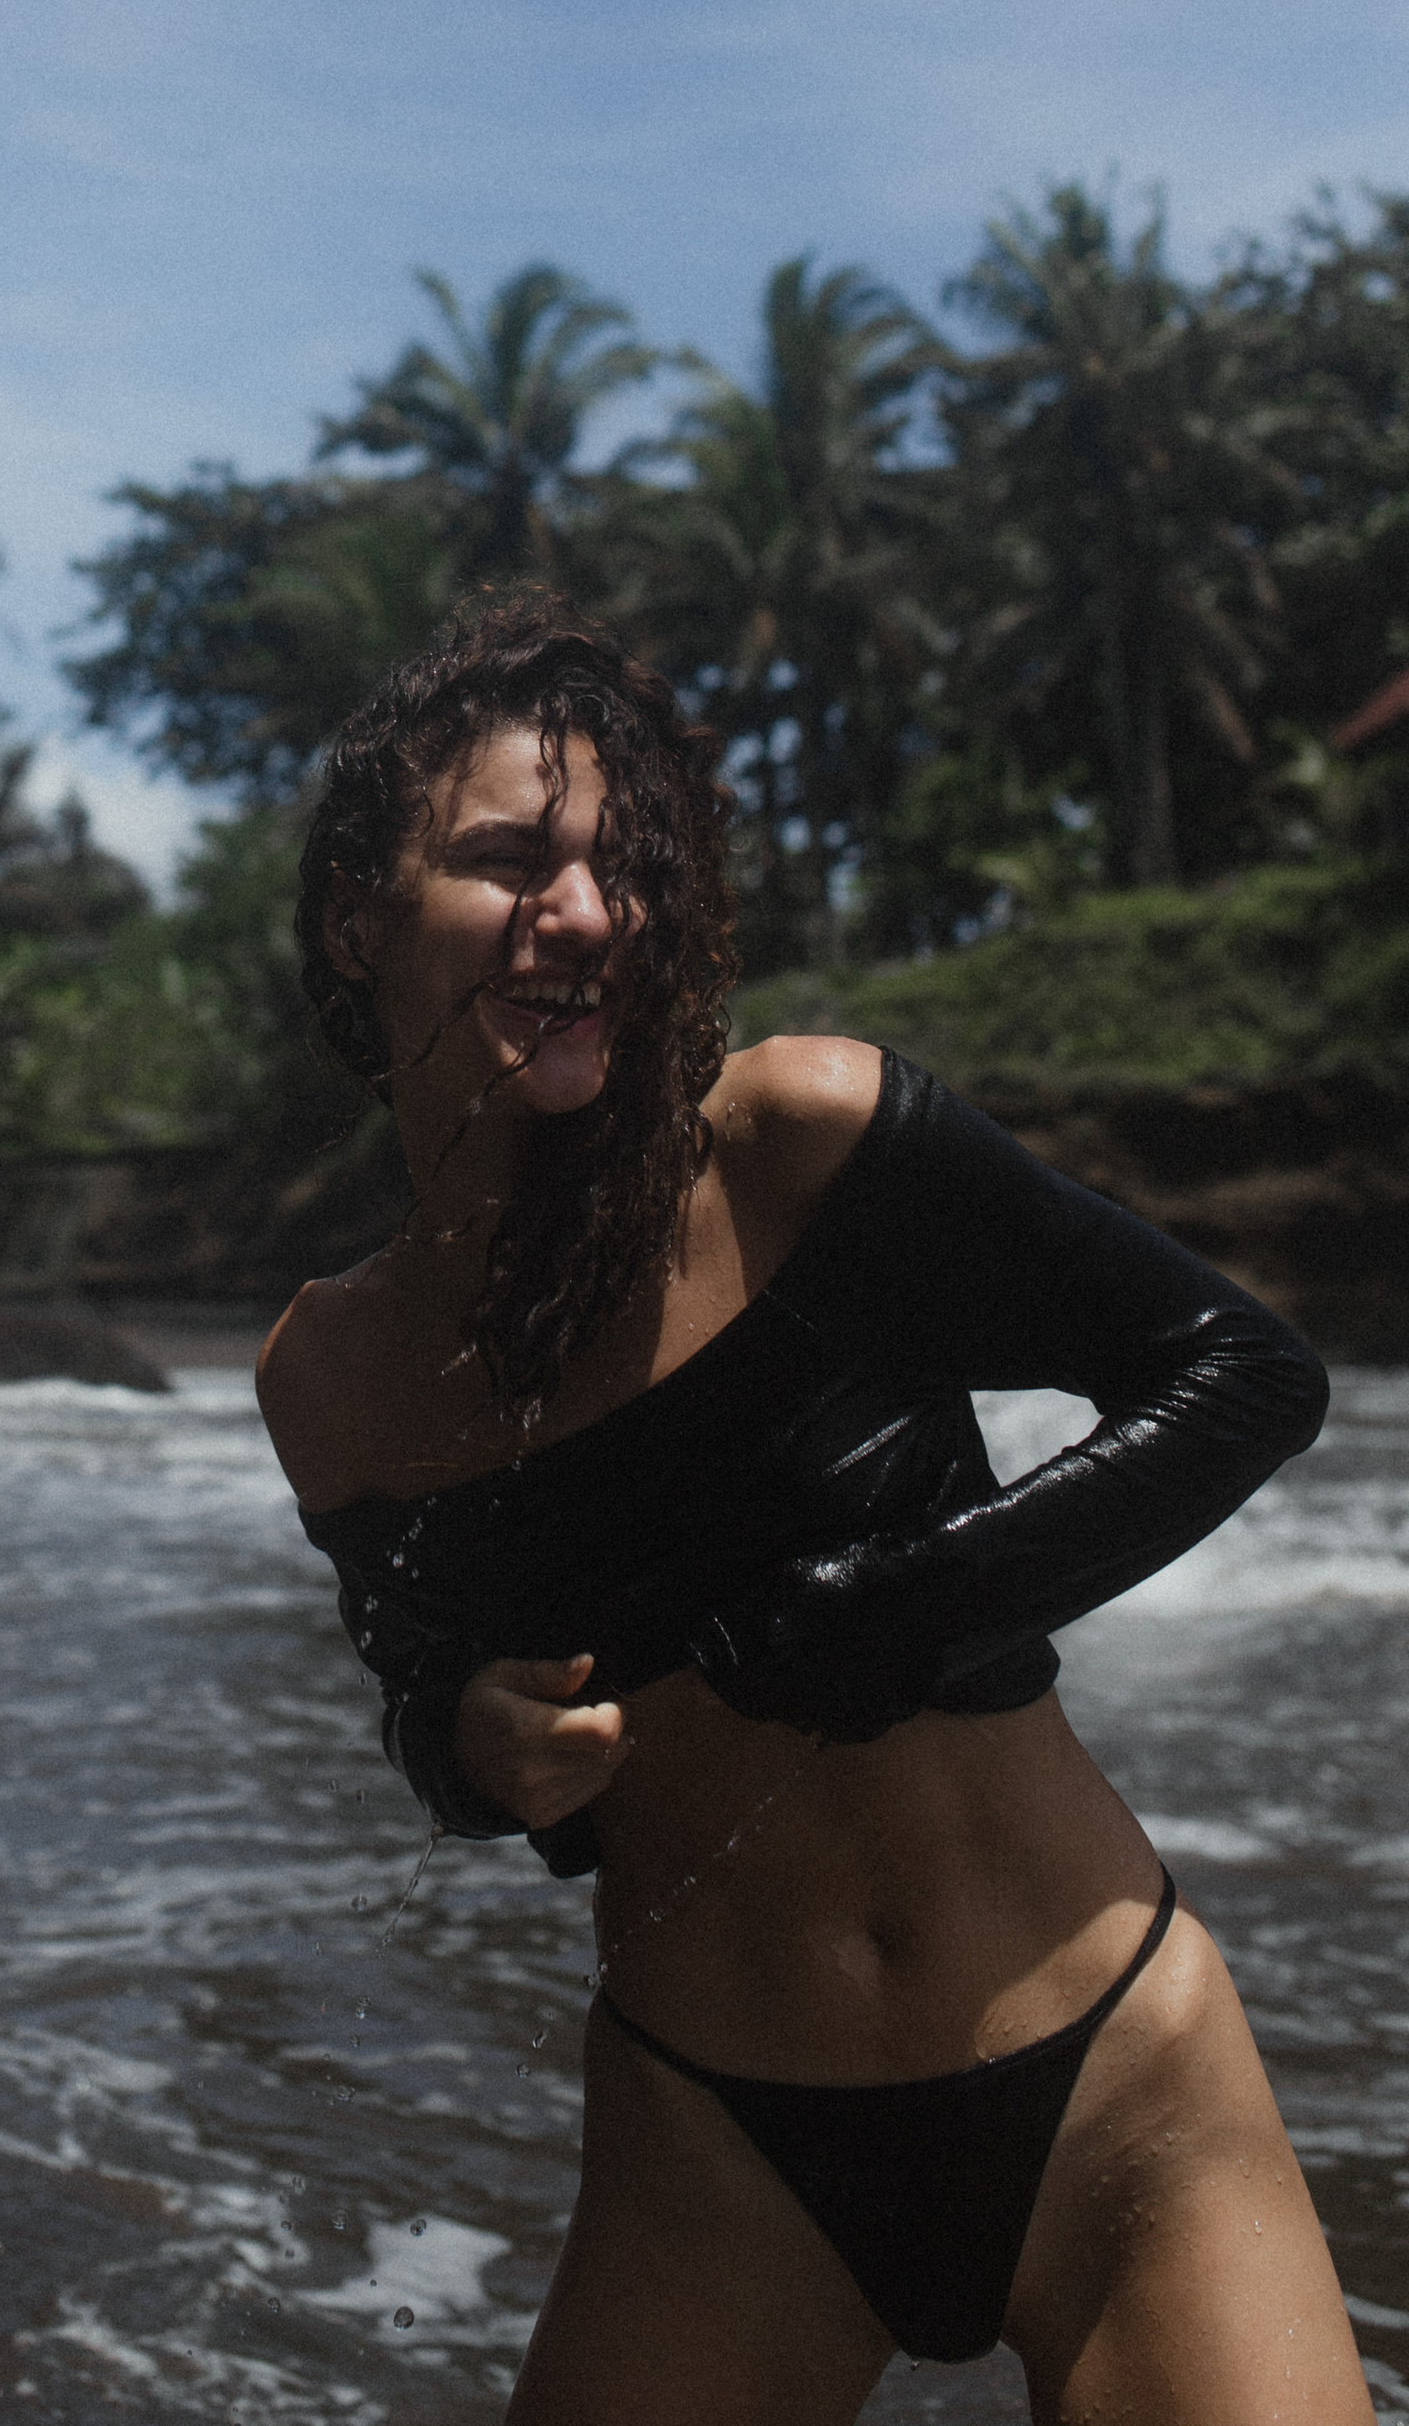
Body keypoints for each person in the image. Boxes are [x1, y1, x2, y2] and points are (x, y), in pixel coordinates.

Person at [257, 598, 1369, 2424]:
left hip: (1113, 2088)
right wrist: (472, 1740)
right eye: (508, 861)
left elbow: (1244, 1376)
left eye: (623, 868)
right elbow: (430, 1701)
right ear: (355, 920)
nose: (589, 914)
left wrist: (915, 1596)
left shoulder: (795, 1147)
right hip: (717, 2153)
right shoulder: (332, 1379)